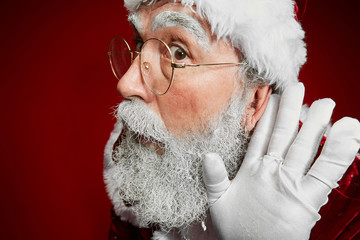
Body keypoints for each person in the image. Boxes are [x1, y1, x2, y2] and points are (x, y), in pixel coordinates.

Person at [104, 0, 360, 239]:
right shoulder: (139, 158)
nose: (126, 84)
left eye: (178, 54)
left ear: (253, 101)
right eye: (139, 45)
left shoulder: (347, 201)